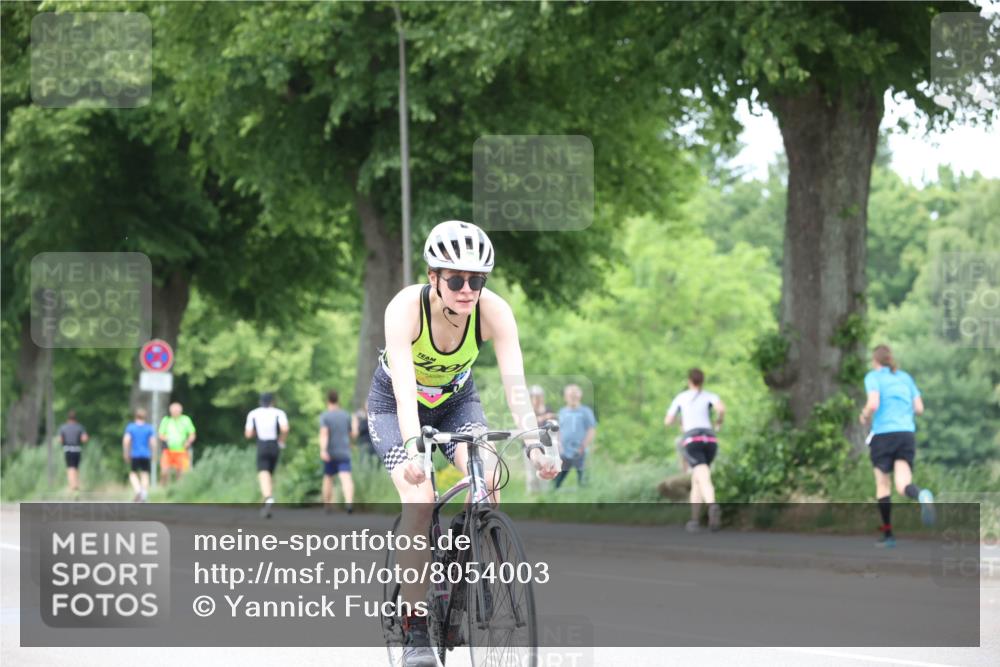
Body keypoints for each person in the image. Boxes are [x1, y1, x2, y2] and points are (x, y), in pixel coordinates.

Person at [367, 220, 559, 667]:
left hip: (457, 404)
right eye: (456, 279)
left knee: (488, 477)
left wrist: (533, 445)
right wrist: (417, 450)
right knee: (420, 498)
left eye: (477, 280)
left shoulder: (495, 313)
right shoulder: (404, 309)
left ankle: (467, 569)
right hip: (394, 407)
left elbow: (516, 386)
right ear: (433, 277)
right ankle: (415, 629)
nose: (467, 289)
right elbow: (403, 392)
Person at [859, 344, 935, 548]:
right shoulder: (905, 377)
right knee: (903, 485)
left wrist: (864, 415)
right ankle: (921, 495)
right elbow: (919, 408)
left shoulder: (873, 377)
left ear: (875, 361)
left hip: (883, 435)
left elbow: (873, 404)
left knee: (883, 486)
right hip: (905, 435)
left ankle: (889, 536)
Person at [665, 368, 725, 532]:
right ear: (703, 381)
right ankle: (694, 520)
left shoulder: (682, 398)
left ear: (689, 380)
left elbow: (668, 420)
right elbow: (721, 409)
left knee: (702, 475)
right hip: (710, 439)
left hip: (692, 440)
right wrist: (718, 423)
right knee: (697, 478)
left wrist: (680, 420)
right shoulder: (710, 396)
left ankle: (712, 504)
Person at [245, 392, 289, 518]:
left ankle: (268, 497)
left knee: (263, 473)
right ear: (272, 402)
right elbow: (285, 429)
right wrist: (282, 440)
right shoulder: (279, 413)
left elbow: (248, 434)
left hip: (262, 444)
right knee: (270, 473)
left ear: (260, 401)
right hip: (275, 444)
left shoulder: (254, 414)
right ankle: (266, 501)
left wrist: (255, 433)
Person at [554, 384, 596, 489]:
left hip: (580, 451)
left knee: (583, 478)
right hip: (564, 452)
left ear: (580, 396)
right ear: (565, 397)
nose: (573, 397)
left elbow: (591, 430)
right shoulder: (562, 412)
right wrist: (559, 447)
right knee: (557, 480)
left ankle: (585, 499)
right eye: (570, 394)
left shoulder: (586, 411)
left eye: (575, 394)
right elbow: (558, 430)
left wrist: (583, 447)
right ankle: (552, 497)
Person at [319, 389, 354, 514]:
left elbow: (324, 434)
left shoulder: (325, 416)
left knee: (328, 477)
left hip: (331, 452)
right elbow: (352, 434)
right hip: (344, 451)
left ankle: (327, 505)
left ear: (328, 401)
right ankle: (349, 503)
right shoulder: (345, 415)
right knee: (346, 477)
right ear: (337, 400)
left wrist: (323, 450)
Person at [158, 402, 196, 487]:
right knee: (164, 471)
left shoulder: (186, 420)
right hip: (168, 450)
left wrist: (188, 442)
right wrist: (166, 439)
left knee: (182, 472)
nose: (175, 412)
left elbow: (192, 434)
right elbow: (160, 434)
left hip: (182, 450)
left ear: (180, 411)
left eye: (177, 410)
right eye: (173, 411)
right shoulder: (166, 420)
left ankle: (178, 489)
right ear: (170, 411)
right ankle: (163, 488)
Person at [123, 408, 155, 502]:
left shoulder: (131, 427)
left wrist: (126, 452)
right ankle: (144, 493)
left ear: (135, 416)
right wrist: (153, 453)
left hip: (135, 454)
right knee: (145, 474)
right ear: (145, 417)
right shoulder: (149, 428)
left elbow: (126, 440)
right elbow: (153, 442)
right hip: (146, 454)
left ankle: (137, 490)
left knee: (133, 473)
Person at [58, 410, 89, 498]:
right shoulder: (80, 427)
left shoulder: (63, 427)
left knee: (70, 469)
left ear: (67, 418)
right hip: (77, 450)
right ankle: (76, 486)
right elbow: (85, 439)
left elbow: (60, 440)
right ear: (76, 418)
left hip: (68, 450)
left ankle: (73, 488)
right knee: (76, 469)